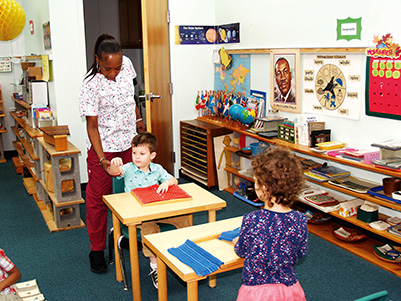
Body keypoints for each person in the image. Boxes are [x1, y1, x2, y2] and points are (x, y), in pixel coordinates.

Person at [79, 33, 145, 274]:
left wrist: (139, 121)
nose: (114, 73)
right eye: (108, 69)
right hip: (103, 147)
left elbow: (131, 98)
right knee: (98, 200)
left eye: (117, 67)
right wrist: (102, 159)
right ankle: (96, 249)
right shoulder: (91, 85)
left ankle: (127, 235)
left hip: (128, 143)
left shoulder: (126, 65)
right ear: (98, 60)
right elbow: (92, 126)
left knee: (132, 191)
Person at [111, 132, 190, 289]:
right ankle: (154, 265)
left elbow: (174, 179)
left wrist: (167, 183)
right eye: (134, 153)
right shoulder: (128, 169)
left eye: (142, 153)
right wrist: (115, 163)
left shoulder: (157, 169)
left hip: (157, 211)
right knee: (150, 228)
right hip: (138, 215)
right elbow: (115, 171)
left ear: (152, 155)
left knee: (182, 219)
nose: (137, 157)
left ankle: (184, 253)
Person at [233, 147, 308, 301]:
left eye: (255, 182)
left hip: (256, 293)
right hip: (289, 290)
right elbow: (301, 252)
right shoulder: (300, 220)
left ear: (264, 188)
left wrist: (236, 242)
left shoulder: (252, 219)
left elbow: (241, 251)